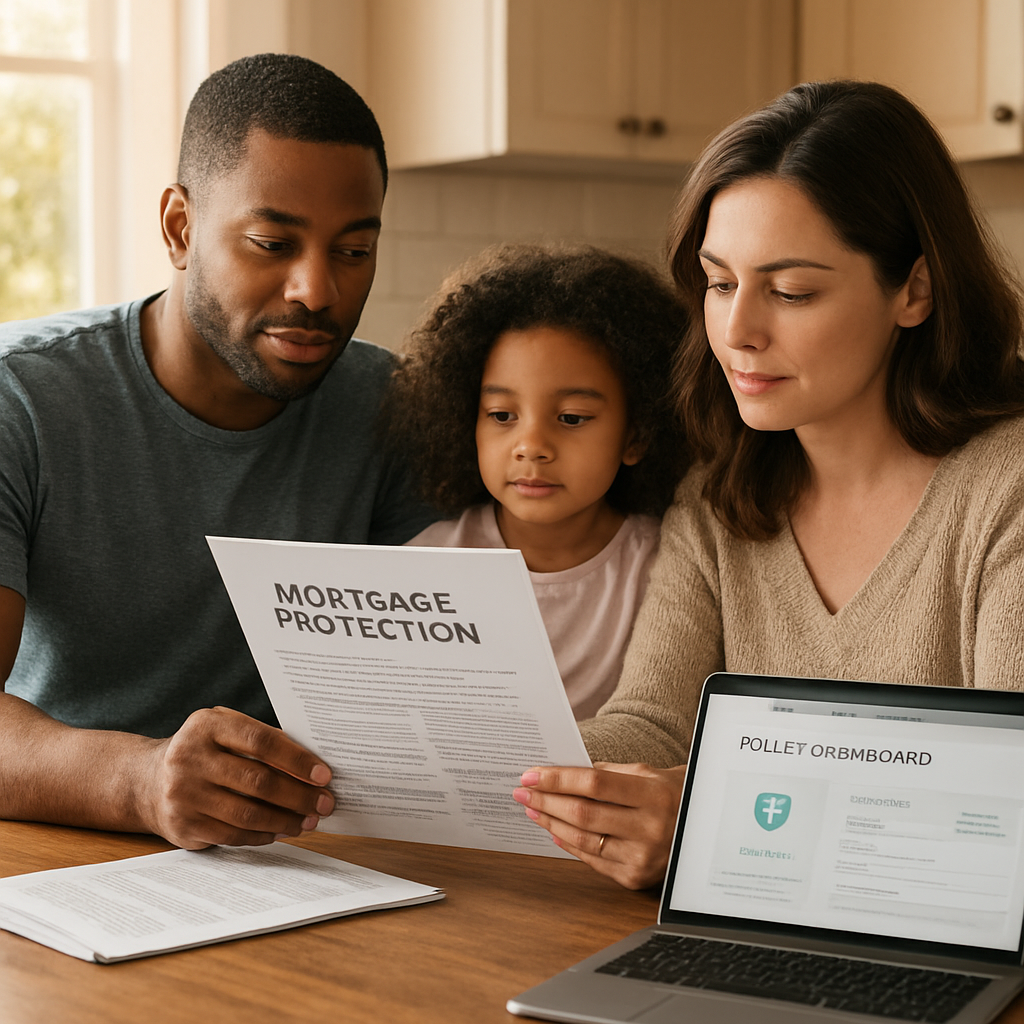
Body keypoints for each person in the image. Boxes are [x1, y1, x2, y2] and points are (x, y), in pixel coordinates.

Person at [513, 80, 1024, 889]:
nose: (739, 331)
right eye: (720, 283)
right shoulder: (721, 498)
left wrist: (711, 821)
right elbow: (653, 723)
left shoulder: (1008, 492)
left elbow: (1003, 801)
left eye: (791, 291)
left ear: (914, 291)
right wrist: (502, 762)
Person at [0, 54, 435, 850]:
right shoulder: (19, 398)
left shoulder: (393, 409)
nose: (318, 291)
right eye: (273, 242)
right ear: (179, 227)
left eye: (353, 251)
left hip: (297, 862)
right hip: (56, 853)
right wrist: (142, 781)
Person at [390, 244, 689, 719]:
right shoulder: (425, 567)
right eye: (502, 415)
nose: (531, 446)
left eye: (571, 418)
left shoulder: (667, 569)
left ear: (637, 436)